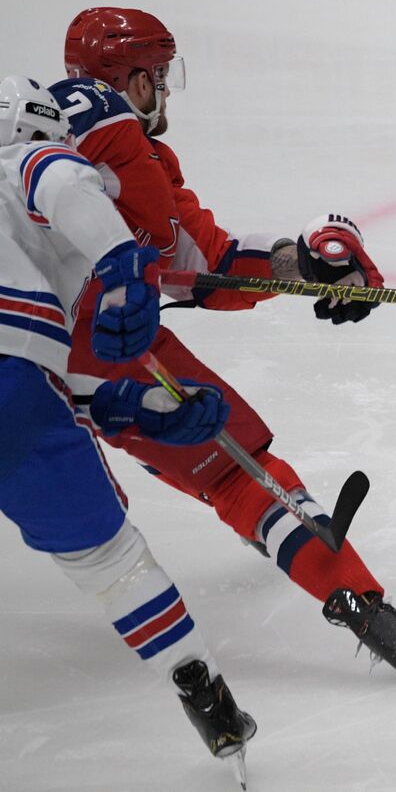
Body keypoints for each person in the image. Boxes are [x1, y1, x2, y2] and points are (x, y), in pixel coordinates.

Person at [50, 7, 396, 685]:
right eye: (158, 76)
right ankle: (372, 615)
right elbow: (198, 267)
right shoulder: (125, 141)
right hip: (80, 333)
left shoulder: (29, 125)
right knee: (230, 464)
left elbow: (207, 260)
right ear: (131, 81)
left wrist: (300, 264)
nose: (163, 92)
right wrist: (309, 266)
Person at [0, 75, 254, 782]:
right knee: (109, 561)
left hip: (21, 389)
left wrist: (144, 412)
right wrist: (121, 265)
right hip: (13, 393)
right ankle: (198, 682)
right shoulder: (24, 163)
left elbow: (70, 393)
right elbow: (60, 181)